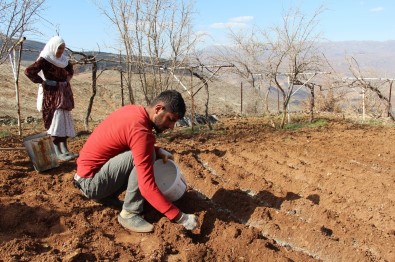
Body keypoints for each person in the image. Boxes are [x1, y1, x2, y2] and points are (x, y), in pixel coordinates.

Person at [74, 90, 198, 233]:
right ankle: (129, 213)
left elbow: (128, 142)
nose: (171, 127)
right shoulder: (141, 132)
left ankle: (107, 196)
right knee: (147, 155)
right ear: (158, 109)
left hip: (87, 176)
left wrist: (158, 151)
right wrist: (180, 217)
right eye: (171, 119)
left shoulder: (133, 111)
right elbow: (146, 186)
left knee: (148, 152)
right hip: (91, 183)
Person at [24, 36, 77, 162]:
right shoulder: (45, 59)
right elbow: (28, 71)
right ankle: (56, 149)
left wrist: (66, 81)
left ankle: (64, 148)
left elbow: (70, 70)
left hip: (63, 94)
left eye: (62, 49)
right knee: (56, 121)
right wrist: (43, 82)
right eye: (59, 48)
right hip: (52, 96)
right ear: (53, 47)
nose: (60, 51)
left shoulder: (63, 60)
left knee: (64, 121)